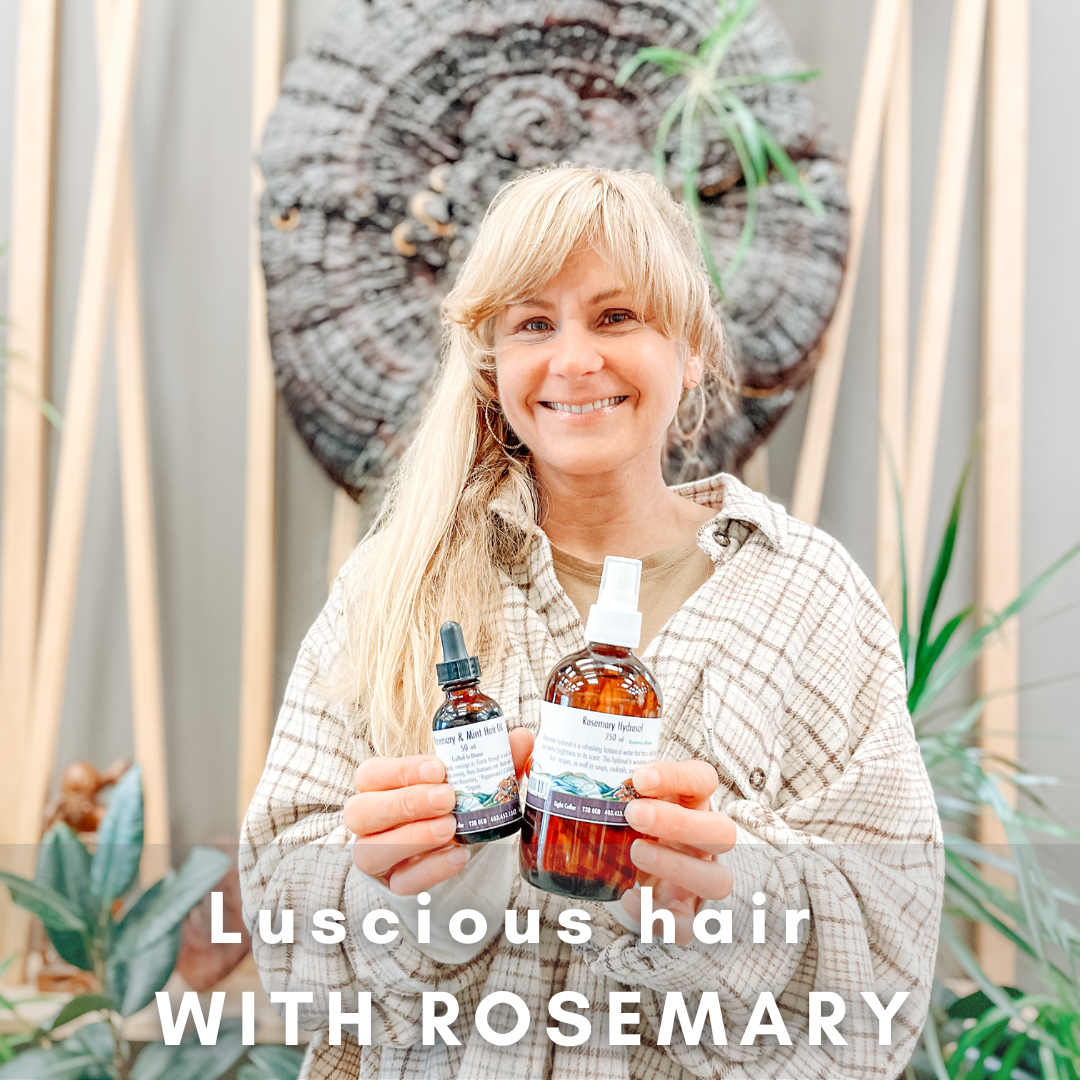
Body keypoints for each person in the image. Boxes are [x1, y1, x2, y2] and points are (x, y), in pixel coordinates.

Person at [239, 165, 943, 1080]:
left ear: (688, 348)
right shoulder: (395, 586)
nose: (574, 360)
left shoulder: (807, 596)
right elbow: (280, 912)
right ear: (494, 362)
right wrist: (420, 899)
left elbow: (890, 944)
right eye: (535, 323)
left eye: (616, 317)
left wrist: (716, 901)